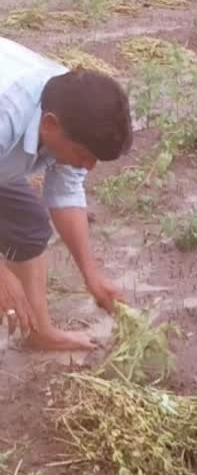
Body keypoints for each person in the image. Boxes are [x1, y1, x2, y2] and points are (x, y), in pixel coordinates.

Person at [0, 37, 130, 349]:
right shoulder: (6, 116)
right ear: (49, 125)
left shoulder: (74, 107)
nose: (88, 166)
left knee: (28, 226)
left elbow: (66, 194)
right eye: (84, 155)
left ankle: (39, 333)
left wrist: (92, 276)